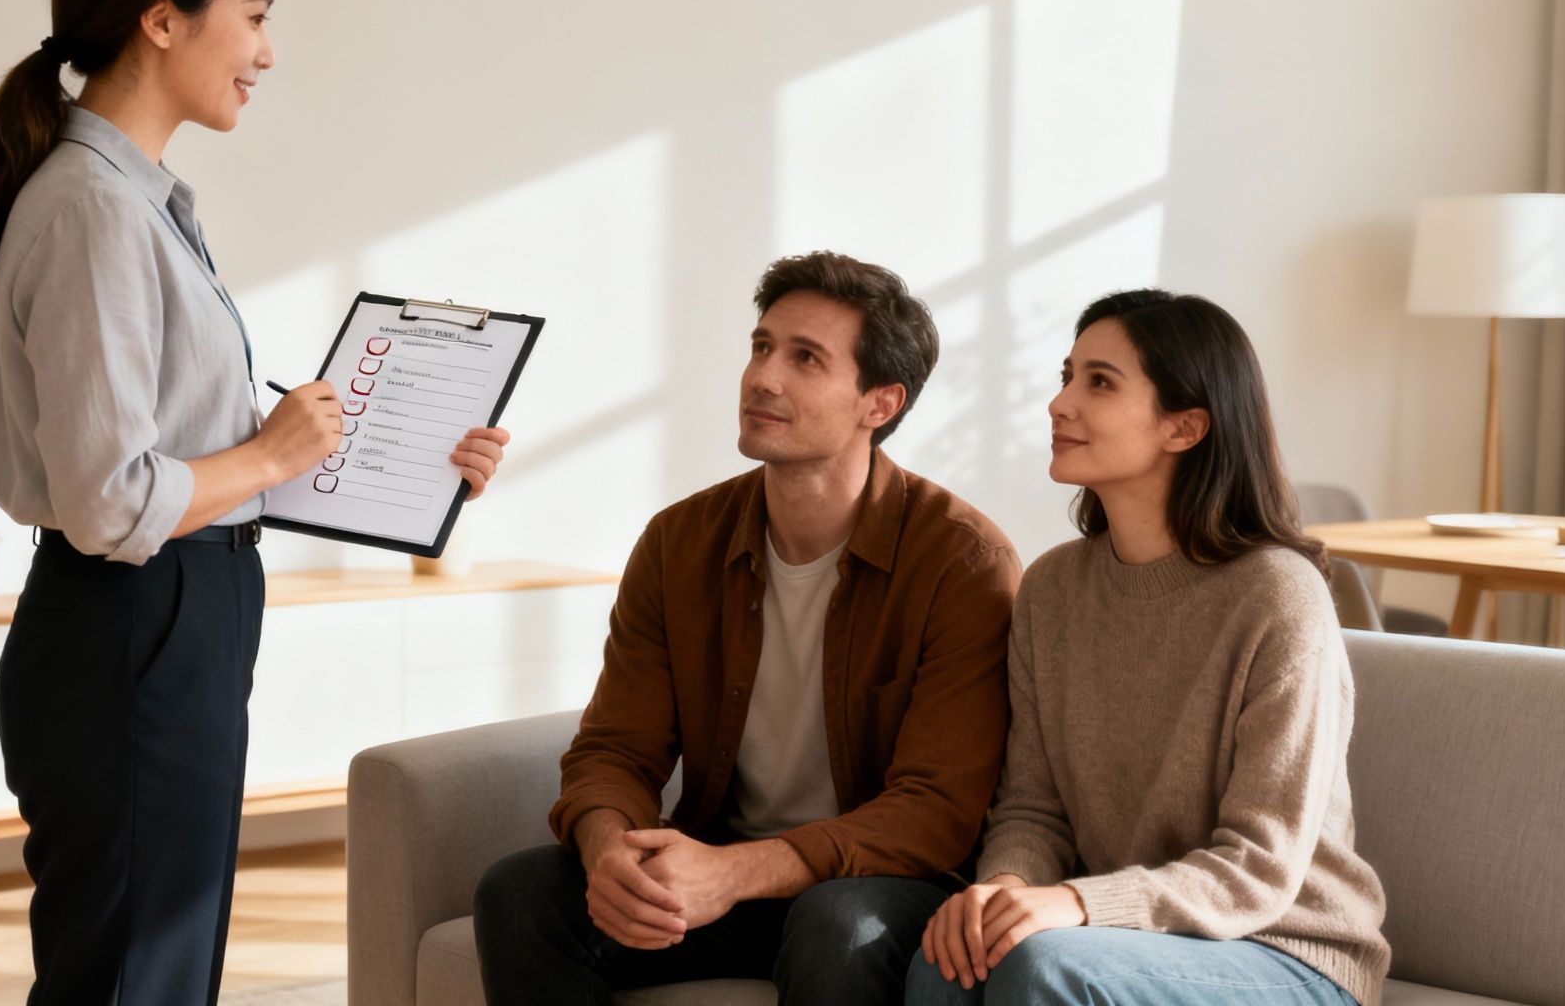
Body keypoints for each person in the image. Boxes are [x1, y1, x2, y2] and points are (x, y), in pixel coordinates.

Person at [0, 0, 510, 1005]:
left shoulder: (142, 198)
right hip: (133, 625)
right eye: (254, 13)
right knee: (136, 978)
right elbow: (111, 500)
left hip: (166, 624)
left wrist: (401, 466)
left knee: (159, 966)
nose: (267, 50)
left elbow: (190, 457)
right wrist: (267, 453)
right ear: (162, 18)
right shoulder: (97, 208)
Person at [472, 251, 1019, 1006]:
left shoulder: (964, 562)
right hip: (721, 865)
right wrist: (610, 852)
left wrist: (736, 873)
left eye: (806, 359)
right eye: (762, 347)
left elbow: (935, 811)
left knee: (836, 925)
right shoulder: (679, 541)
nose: (764, 377)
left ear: (879, 404)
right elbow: (616, 748)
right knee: (523, 892)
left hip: (881, 887)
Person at [907, 288, 1390, 1006]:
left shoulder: (1277, 597)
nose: (1059, 403)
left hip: (1285, 950)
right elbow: (1034, 809)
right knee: (947, 962)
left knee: (1043, 970)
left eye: (1098, 382)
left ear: (1185, 427)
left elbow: (1260, 866)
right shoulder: (1053, 589)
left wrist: (1076, 904)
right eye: (1065, 376)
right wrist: (1004, 892)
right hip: (1126, 936)